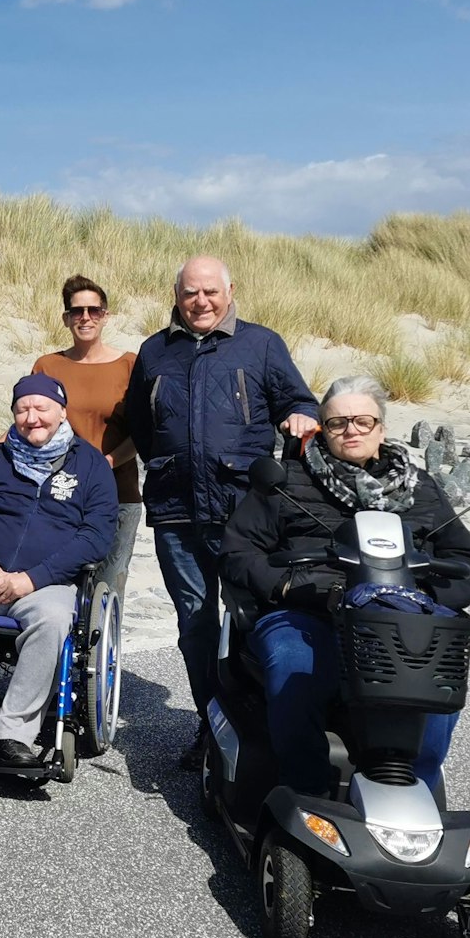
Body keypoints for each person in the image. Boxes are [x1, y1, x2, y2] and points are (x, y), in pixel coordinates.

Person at [218, 375, 470, 799]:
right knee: (294, 665)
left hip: (400, 617)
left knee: (438, 678)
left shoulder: (422, 490)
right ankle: (304, 791)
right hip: (309, 611)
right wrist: (289, 587)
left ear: (381, 428)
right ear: (322, 429)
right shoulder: (285, 481)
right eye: (337, 423)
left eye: (363, 421)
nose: (351, 431)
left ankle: (417, 787)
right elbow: (238, 552)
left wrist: (426, 599)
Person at [122, 255, 318, 770]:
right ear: (177, 294)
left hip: (245, 515)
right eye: (191, 293)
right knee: (196, 626)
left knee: (256, 620)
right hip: (176, 515)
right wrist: (169, 464)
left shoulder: (261, 344)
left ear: (231, 291)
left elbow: (298, 402)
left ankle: (265, 725)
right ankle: (211, 727)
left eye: (211, 292)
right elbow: (142, 425)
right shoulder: (154, 351)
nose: (201, 302)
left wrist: (302, 415)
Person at [0, 375, 116, 769]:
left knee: (54, 620)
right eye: (22, 409)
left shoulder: (91, 465)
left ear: (62, 411)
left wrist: (31, 578)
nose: (32, 418)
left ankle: (13, 733)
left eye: (41, 408)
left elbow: (96, 537)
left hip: (46, 580)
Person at [32, 275, 142, 608]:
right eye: (77, 311)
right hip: (60, 496)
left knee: (105, 594)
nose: (85, 318)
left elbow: (143, 432)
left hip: (118, 493)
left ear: (105, 315)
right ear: (66, 318)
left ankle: (100, 658)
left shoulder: (130, 365)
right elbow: (31, 423)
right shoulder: (48, 366)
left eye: (94, 310)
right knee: (58, 588)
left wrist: (106, 462)